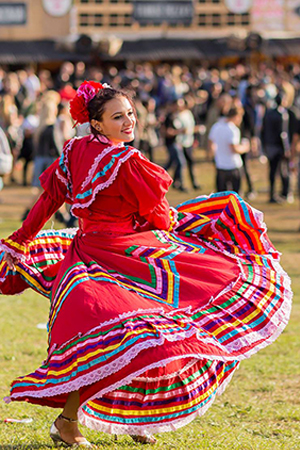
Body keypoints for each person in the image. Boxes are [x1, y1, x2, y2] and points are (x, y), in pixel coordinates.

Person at [0, 81, 291, 447]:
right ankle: (68, 422)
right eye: (117, 117)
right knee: (141, 334)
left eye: (131, 114)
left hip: (89, 254)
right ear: (97, 123)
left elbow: (48, 201)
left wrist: (21, 239)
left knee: (130, 336)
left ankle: (135, 420)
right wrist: (185, 227)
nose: (128, 122)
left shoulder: (74, 151)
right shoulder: (127, 162)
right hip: (125, 257)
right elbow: (157, 216)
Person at [261, 92, 299, 203]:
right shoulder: (282, 114)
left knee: (272, 172)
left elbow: (263, 131)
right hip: (278, 147)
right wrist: (286, 148)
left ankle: (272, 194)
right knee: (283, 170)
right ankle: (285, 193)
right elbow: (283, 134)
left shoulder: (268, 113)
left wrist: (265, 146)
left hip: (270, 147)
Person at [208, 107, 250, 194]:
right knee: (236, 197)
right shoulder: (233, 129)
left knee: (220, 197)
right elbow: (234, 148)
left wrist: (213, 155)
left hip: (220, 164)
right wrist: (245, 147)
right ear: (236, 116)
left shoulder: (216, 126)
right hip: (233, 165)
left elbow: (211, 143)